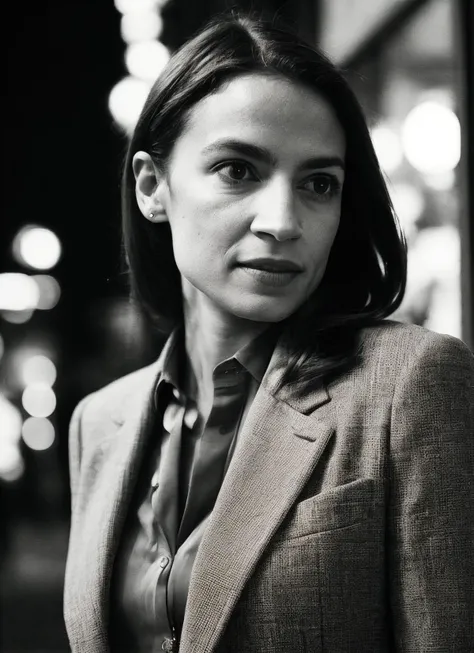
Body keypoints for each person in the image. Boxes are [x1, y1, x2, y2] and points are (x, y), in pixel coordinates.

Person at [63, 12, 474, 653]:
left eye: (318, 183)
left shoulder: (408, 385)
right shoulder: (100, 422)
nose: (283, 221)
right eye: (238, 170)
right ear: (152, 187)